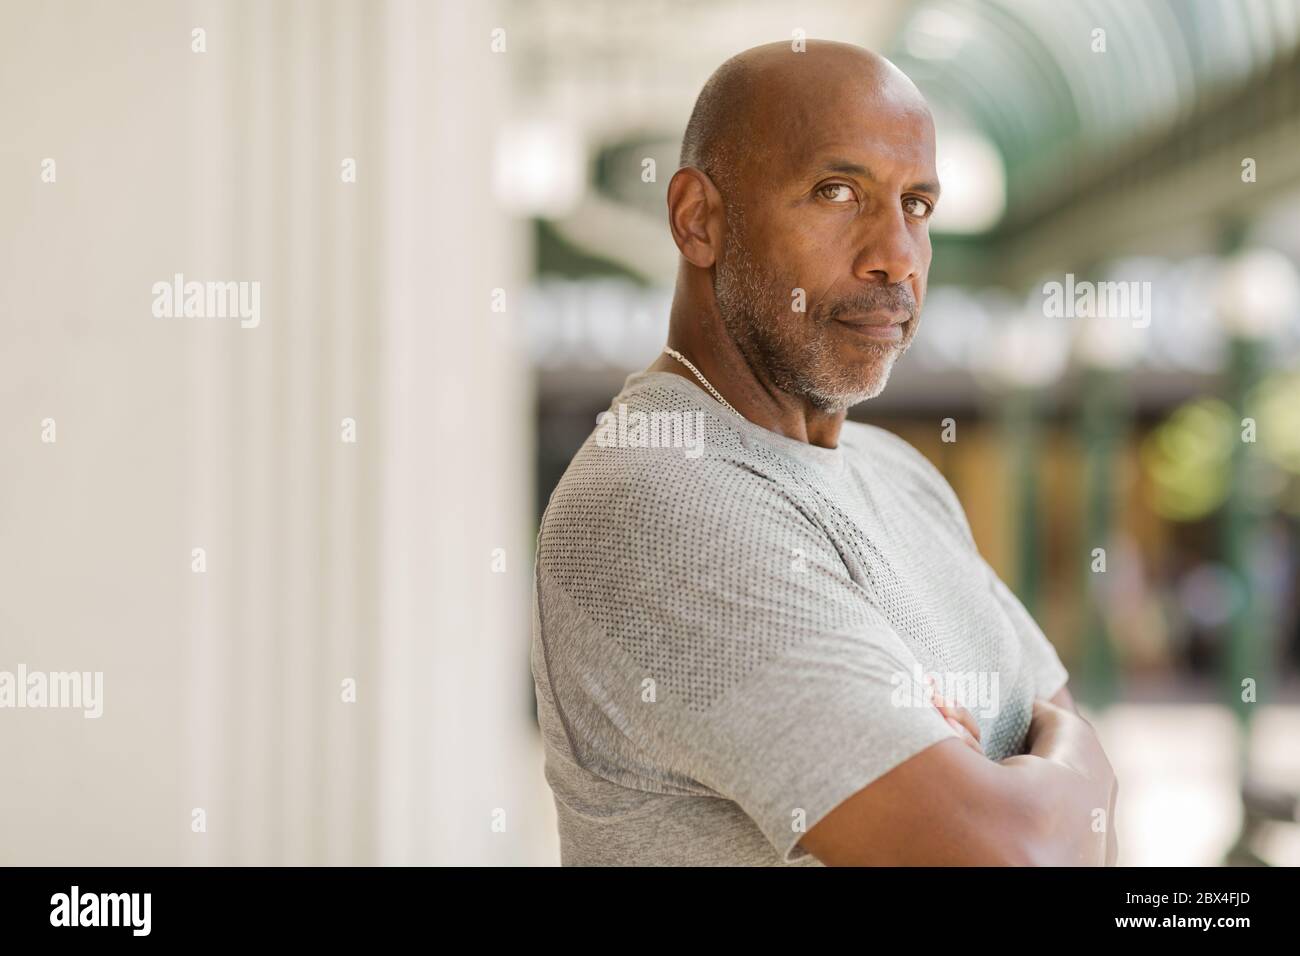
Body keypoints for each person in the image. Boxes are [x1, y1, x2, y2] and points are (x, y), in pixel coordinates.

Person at [530, 39, 1118, 866]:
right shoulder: (657, 498)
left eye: (917, 204)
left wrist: (1034, 773)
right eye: (837, 192)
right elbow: (1015, 852)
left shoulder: (900, 474)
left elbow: (1089, 836)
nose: (896, 258)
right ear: (698, 218)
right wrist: (1063, 768)